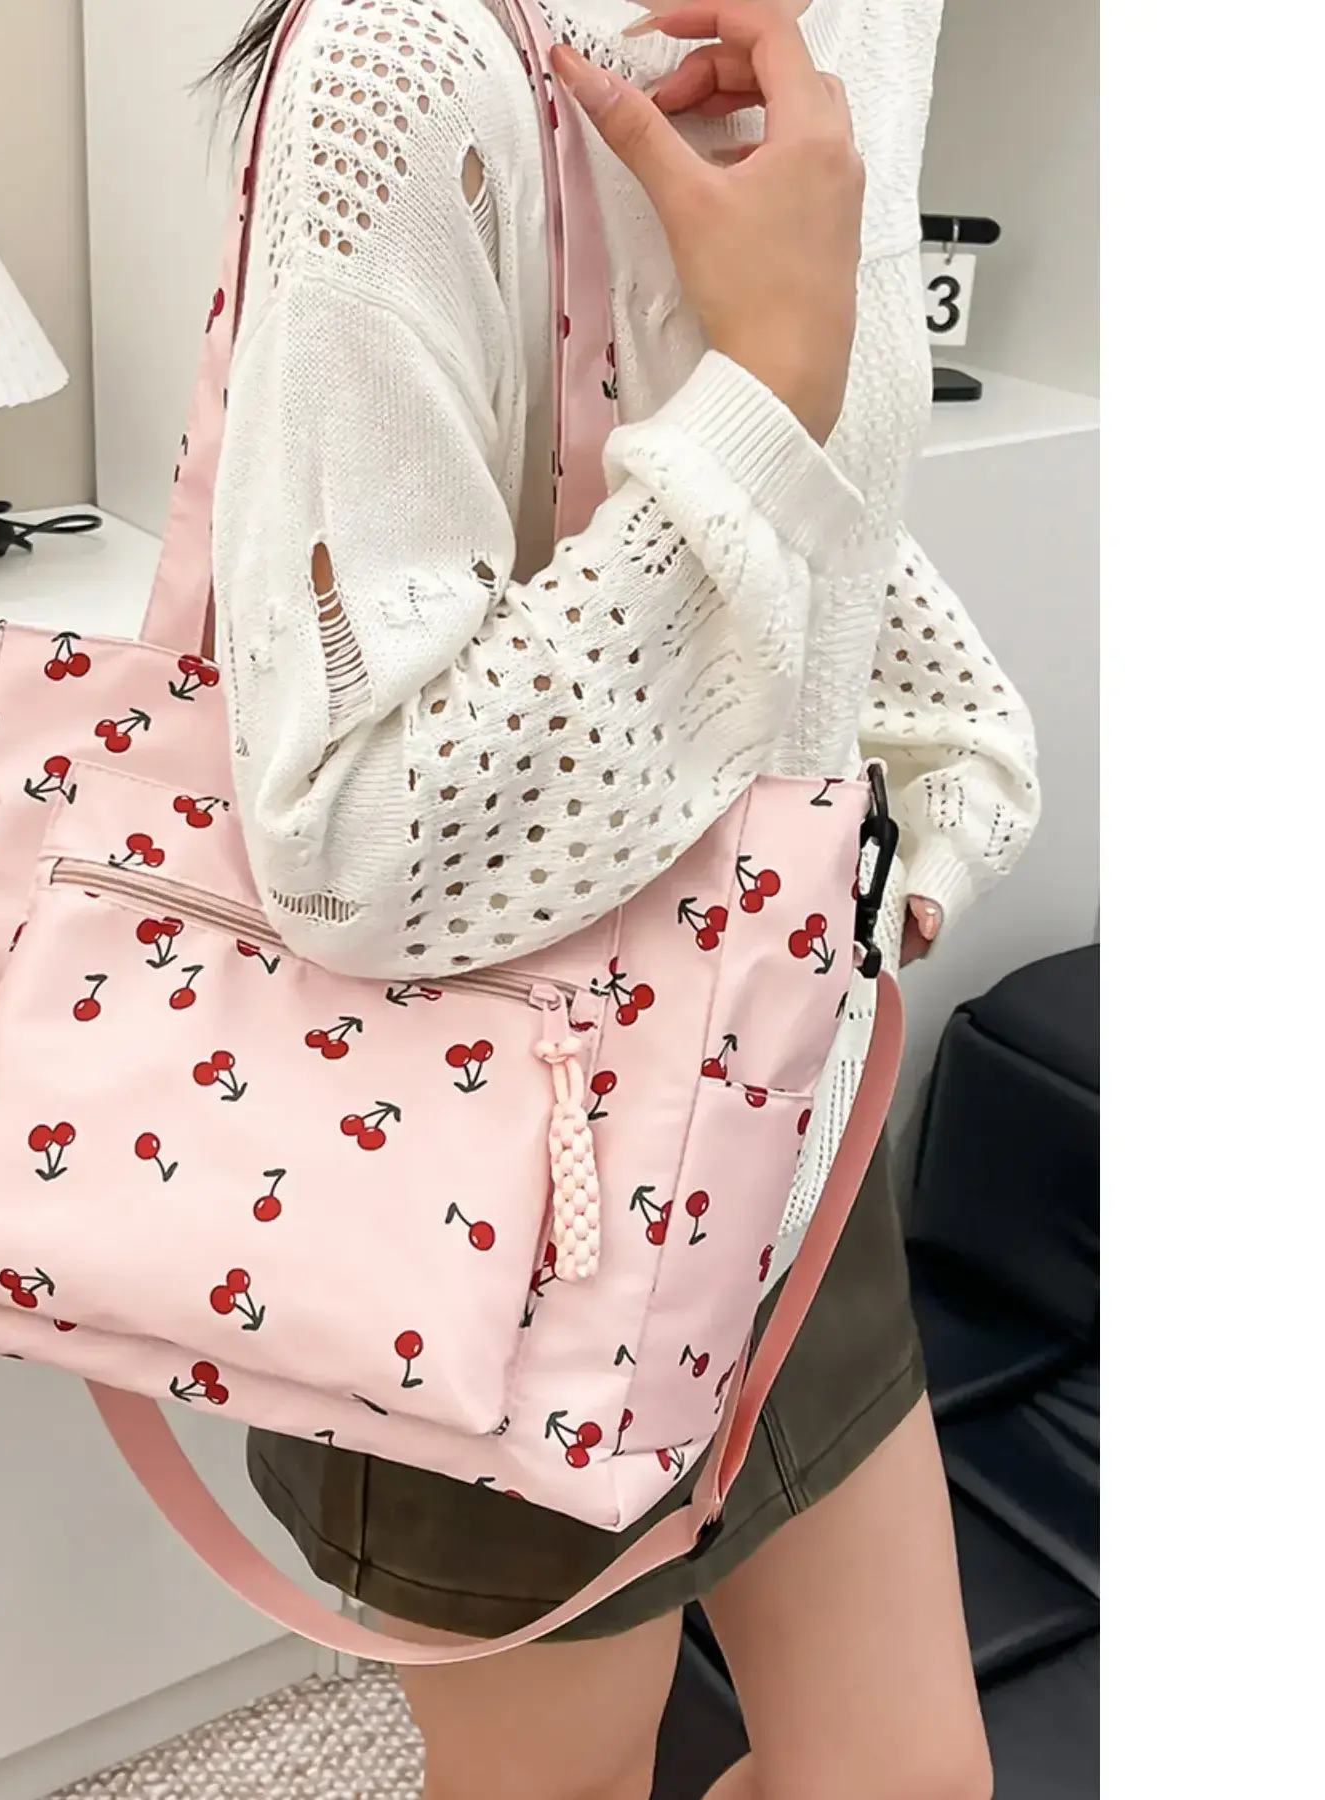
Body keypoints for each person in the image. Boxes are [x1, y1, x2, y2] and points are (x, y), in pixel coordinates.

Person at [204, 2, 1039, 1795]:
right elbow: (355, 841)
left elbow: (823, 489)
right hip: (489, 1199)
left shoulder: (878, 22)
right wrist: (764, 390)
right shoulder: (403, 61)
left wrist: (936, 761)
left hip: (788, 1130)